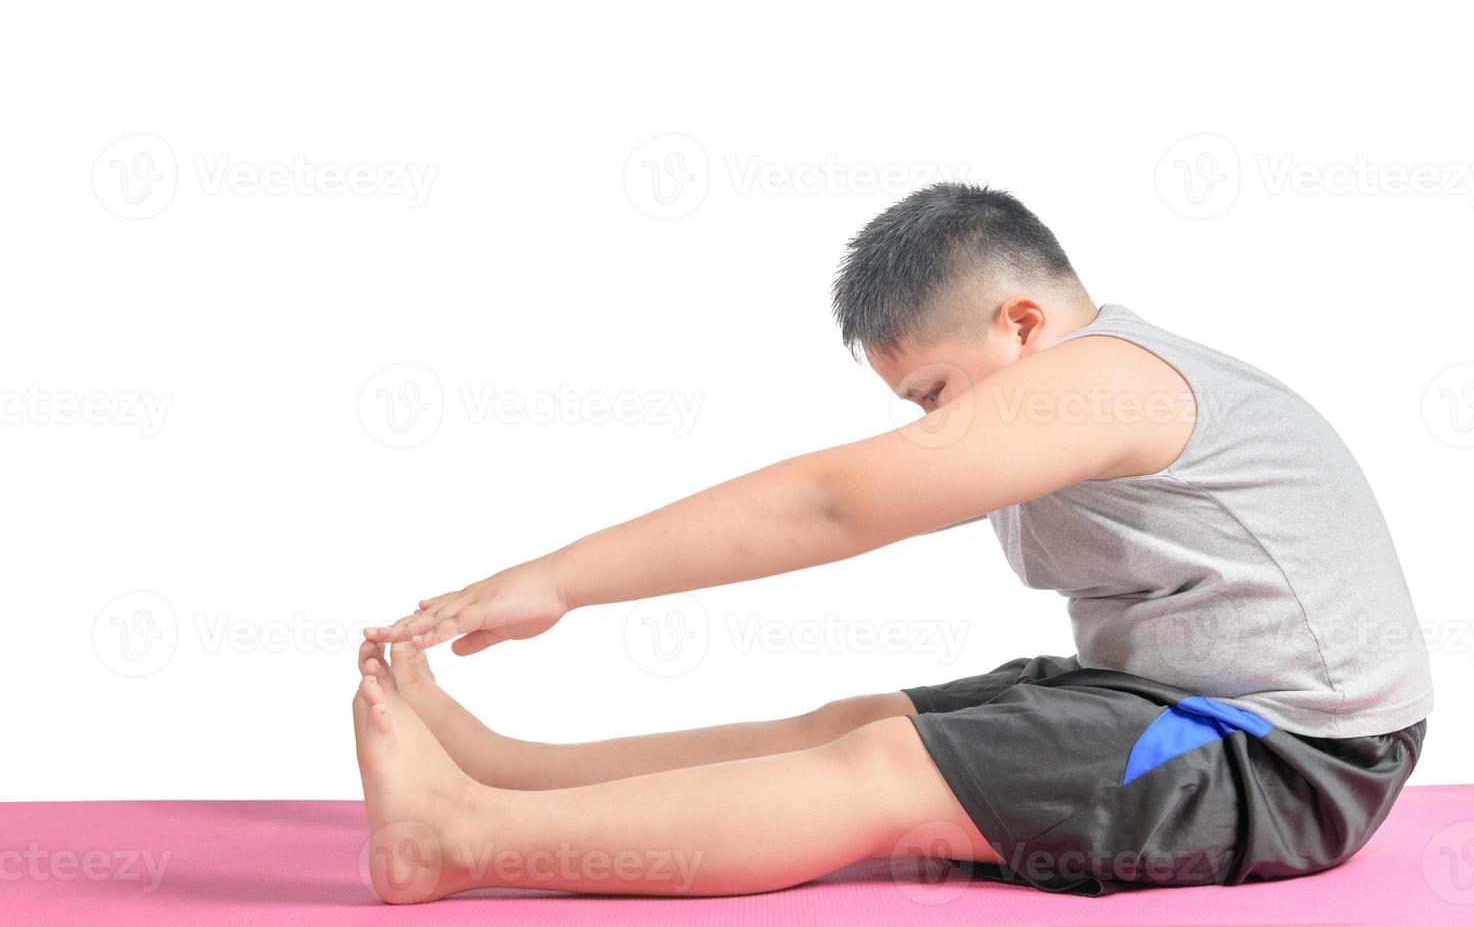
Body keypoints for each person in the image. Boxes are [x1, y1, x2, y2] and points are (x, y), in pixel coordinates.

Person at [355, 183, 1432, 901]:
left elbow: (833, 503)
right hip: (1162, 697)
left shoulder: (1104, 379)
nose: (927, 426)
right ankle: (509, 773)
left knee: (884, 767)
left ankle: (461, 839)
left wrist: (554, 580)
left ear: (1020, 324)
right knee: (859, 718)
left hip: (1290, 755)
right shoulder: (1082, 387)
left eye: (930, 393)